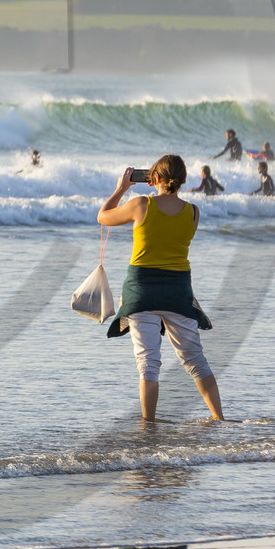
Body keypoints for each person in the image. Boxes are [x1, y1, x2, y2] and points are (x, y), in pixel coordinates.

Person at [96, 155, 224, 421]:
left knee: (148, 364)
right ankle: (218, 418)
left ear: (154, 178)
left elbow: (103, 217)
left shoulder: (141, 204)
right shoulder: (193, 212)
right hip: (178, 292)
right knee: (195, 360)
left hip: (142, 292)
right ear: (182, 180)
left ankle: (149, 424)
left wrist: (121, 189)